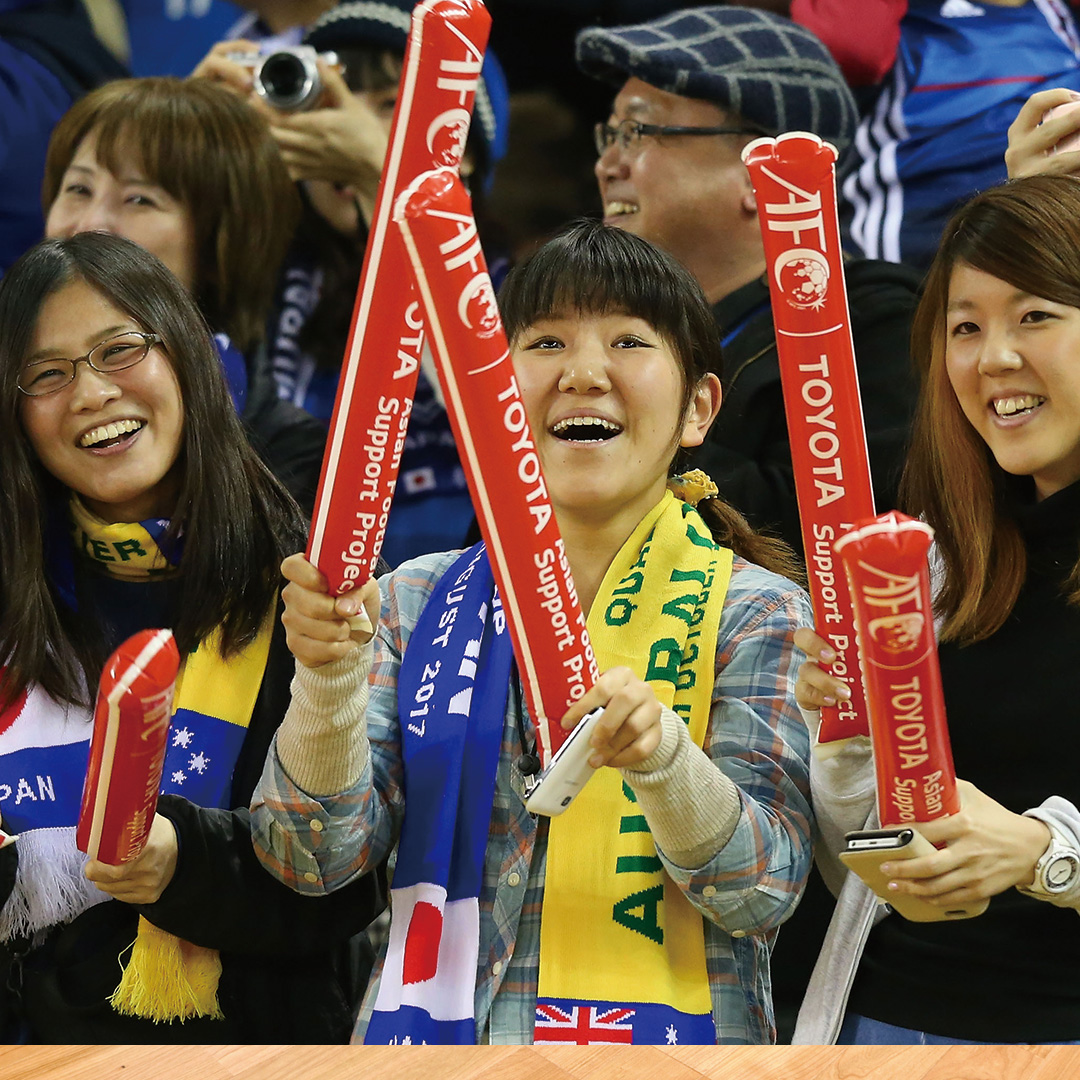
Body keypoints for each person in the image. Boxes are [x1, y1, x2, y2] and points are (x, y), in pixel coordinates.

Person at [250, 220, 814, 1046]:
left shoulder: (761, 612)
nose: (583, 374)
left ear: (699, 407)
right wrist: (326, 681)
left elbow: (763, 889)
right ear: (490, 400)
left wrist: (664, 762)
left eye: (628, 340)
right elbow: (309, 859)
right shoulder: (410, 599)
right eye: (546, 342)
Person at [0, 232, 383, 1043]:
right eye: (48, 373)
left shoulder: (312, 586)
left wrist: (186, 865)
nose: (92, 392)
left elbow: (351, 885)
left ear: (188, 358)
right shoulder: (12, 601)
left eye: (119, 350)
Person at [793, 175, 1080, 1045]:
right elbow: (858, 856)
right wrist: (842, 734)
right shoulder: (930, 567)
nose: (992, 356)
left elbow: (1035, 851)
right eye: (965, 326)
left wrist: (1045, 853)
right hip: (882, 1025)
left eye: (1034, 315)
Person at [575, 4, 921, 562]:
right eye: (610, 135)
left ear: (765, 174)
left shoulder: (873, 326)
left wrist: (612, 428)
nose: (608, 164)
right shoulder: (582, 332)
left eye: (638, 131)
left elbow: (826, 547)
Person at [193, 0, 510, 565]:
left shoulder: (523, 290)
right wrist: (188, 140)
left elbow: (505, 430)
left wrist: (386, 181)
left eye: (395, 107)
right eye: (327, 101)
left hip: (457, 601)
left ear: (465, 154)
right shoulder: (258, 282)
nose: (349, 128)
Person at [40, 76, 327, 514]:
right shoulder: (17, 396)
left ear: (219, 245)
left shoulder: (294, 461)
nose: (88, 225)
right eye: (78, 189)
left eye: (139, 199)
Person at [793, 0, 1080, 273]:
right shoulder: (884, 28)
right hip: (918, 273)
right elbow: (851, 48)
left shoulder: (1058, 15)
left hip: (1050, 250)